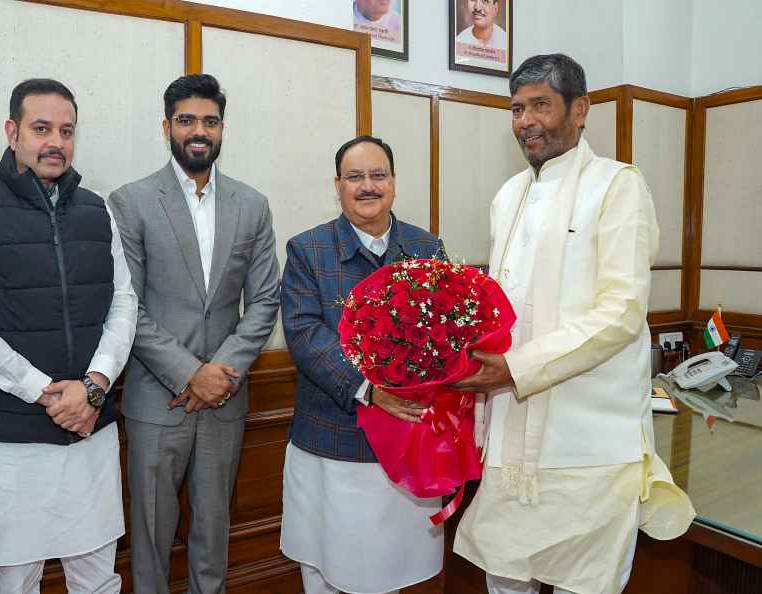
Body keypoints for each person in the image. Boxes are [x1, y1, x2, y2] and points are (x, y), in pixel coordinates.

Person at [450, 54, 694, 594]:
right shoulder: (508, 196)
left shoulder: (618, 186)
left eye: (541, 105)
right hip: (511, 438)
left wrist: (516, 368)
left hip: (588, 447)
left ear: (580, 110)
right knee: (505, 582)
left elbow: (621, 312)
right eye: (517, 109)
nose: (526, 121)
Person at [0, 78, 138, 593]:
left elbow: (123, 303)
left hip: (89, 427)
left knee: (97, 579)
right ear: (12, 132)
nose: (55, 142)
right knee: (17, 581)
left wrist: (93, 387)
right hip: (13, 435)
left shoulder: (98, 211)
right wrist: (48, 394)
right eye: (41, 128)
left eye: (66, 131)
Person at [109, 73, 281, 594]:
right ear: (167, 127)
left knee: (213, 535)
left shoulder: (251, 204)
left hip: (225, 398)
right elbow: (127, 307)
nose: (198, 130)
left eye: (209, 121)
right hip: (156, 400)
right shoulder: (131, 201)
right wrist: (190, 373)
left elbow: (264, 300)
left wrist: (219, 375)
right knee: (151, 538)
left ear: (223, 129)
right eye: (187, 120)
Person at [280, 136, 445, 594]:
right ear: (338, 185)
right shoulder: (307, 250)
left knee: (389, 572)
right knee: (325, 568)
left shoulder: (426, 247)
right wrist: (369, 390)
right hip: (331, 443)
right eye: (355, 177)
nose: (367, 186)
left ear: (393, 182)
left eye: (378, 175)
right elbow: (305, 335)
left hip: (406, 445)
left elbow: (448, 333)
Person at [454, 0, 508, 65]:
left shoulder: (505, 41)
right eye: (473, 0)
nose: (477, 7)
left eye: (485, 1)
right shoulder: (459, 42)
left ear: (495, 8)